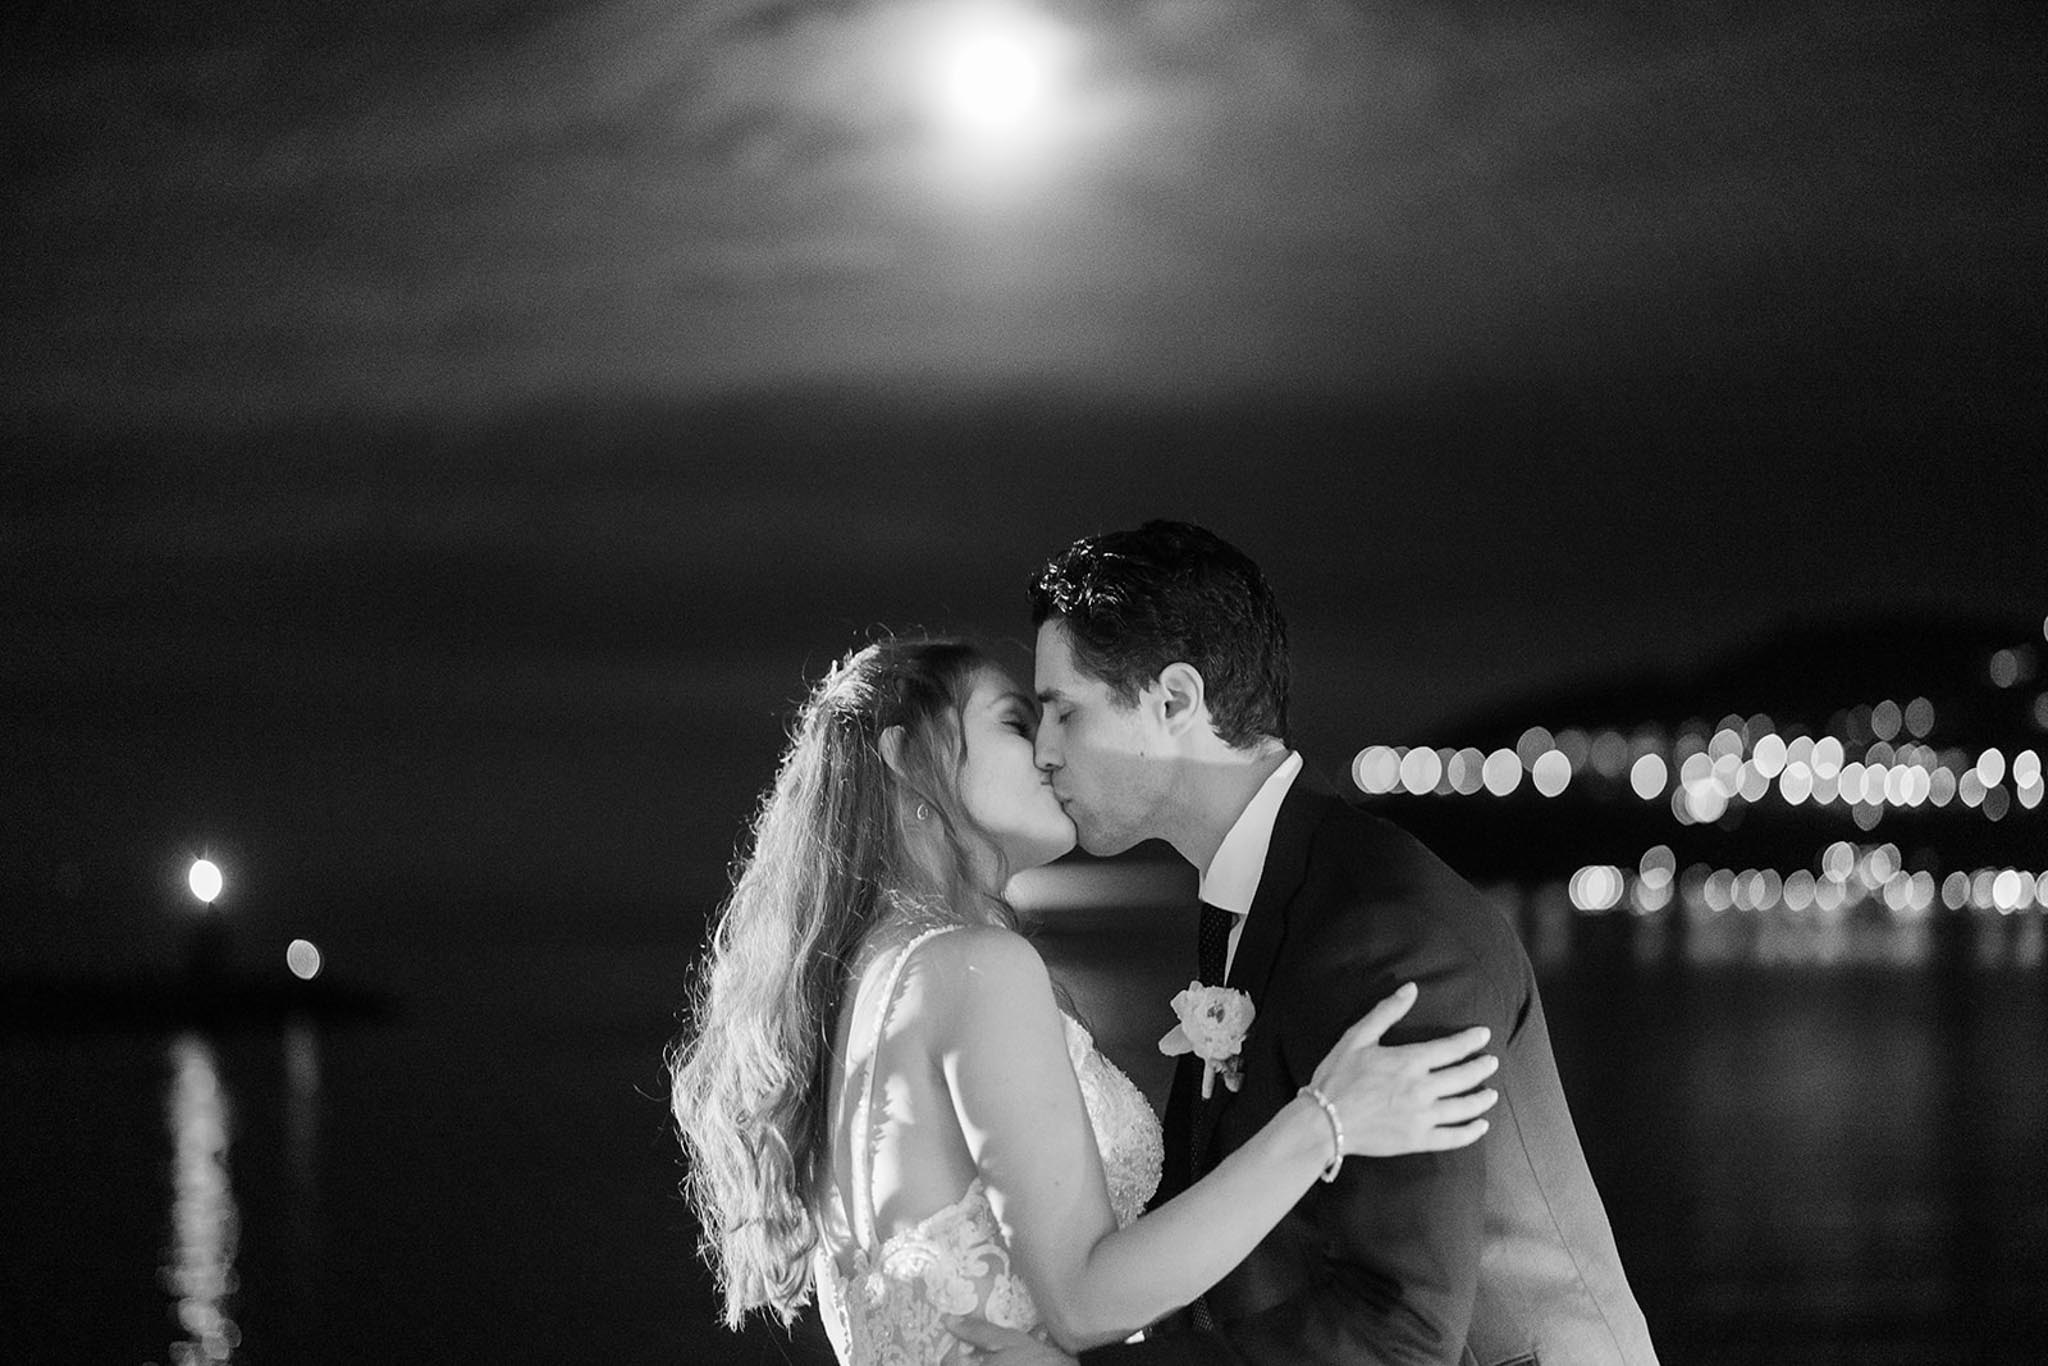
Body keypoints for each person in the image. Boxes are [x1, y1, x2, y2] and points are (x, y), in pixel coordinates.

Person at [672, 636, 1502, 1364]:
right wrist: (1327, 1119)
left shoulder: (866, 983)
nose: (1046, 753)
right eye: (1013, 721)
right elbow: (1080, 1302)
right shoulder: (974, 969)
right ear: (901, 754)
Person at [950, 520, 1659, 1364]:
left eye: (1064, 712)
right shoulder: (1257, 899)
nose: (1046, 751)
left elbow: (1401, 1333)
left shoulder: (1387, 927)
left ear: (1175, 701)